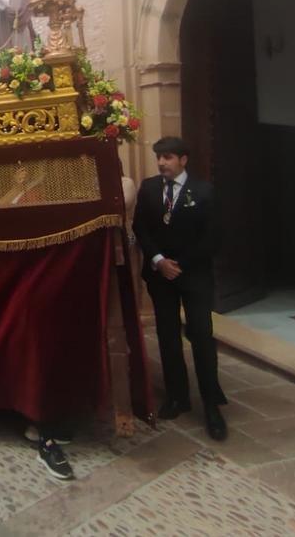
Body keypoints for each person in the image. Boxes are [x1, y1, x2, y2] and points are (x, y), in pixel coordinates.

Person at [132, 136, 227, 441]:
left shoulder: (204, 191)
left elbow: (212, 237)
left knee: (201, 336)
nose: (162, 163)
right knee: (167, 336)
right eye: (159, 157)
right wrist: (159, 260)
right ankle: (177, 396)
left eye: (168, 157)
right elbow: (140, 227)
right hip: (161, 276)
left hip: (194, 274)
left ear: (183, 160)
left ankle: (212, 404)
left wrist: (179, 264)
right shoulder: (148, 188)